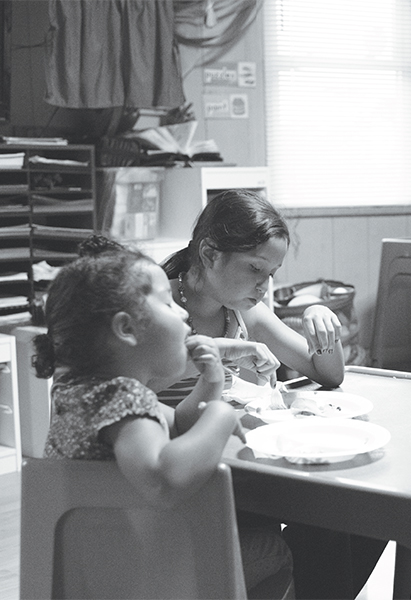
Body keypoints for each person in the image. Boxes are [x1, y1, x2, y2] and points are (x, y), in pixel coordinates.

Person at [155, 190, 385, 600]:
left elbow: (327, 375)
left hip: (237, 471)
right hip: (191, 483)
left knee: (370, 513)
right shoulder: (162, 309)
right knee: (334, 524)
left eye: (272, 273)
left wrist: (321, 325)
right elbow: (145, 392)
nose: (264, 286)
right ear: (209, 254)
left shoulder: (243, 310)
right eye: (255, 269)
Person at [36, 235, 293, 599]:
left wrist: (211, 379)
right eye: (169, 304)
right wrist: (219, 415)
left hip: (91, 575)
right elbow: (164, 479)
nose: (185, 314)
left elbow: (179, 426)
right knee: (274, 548)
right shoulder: (122, 398)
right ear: (126, 329)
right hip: (145, 579)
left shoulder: (82, 393)